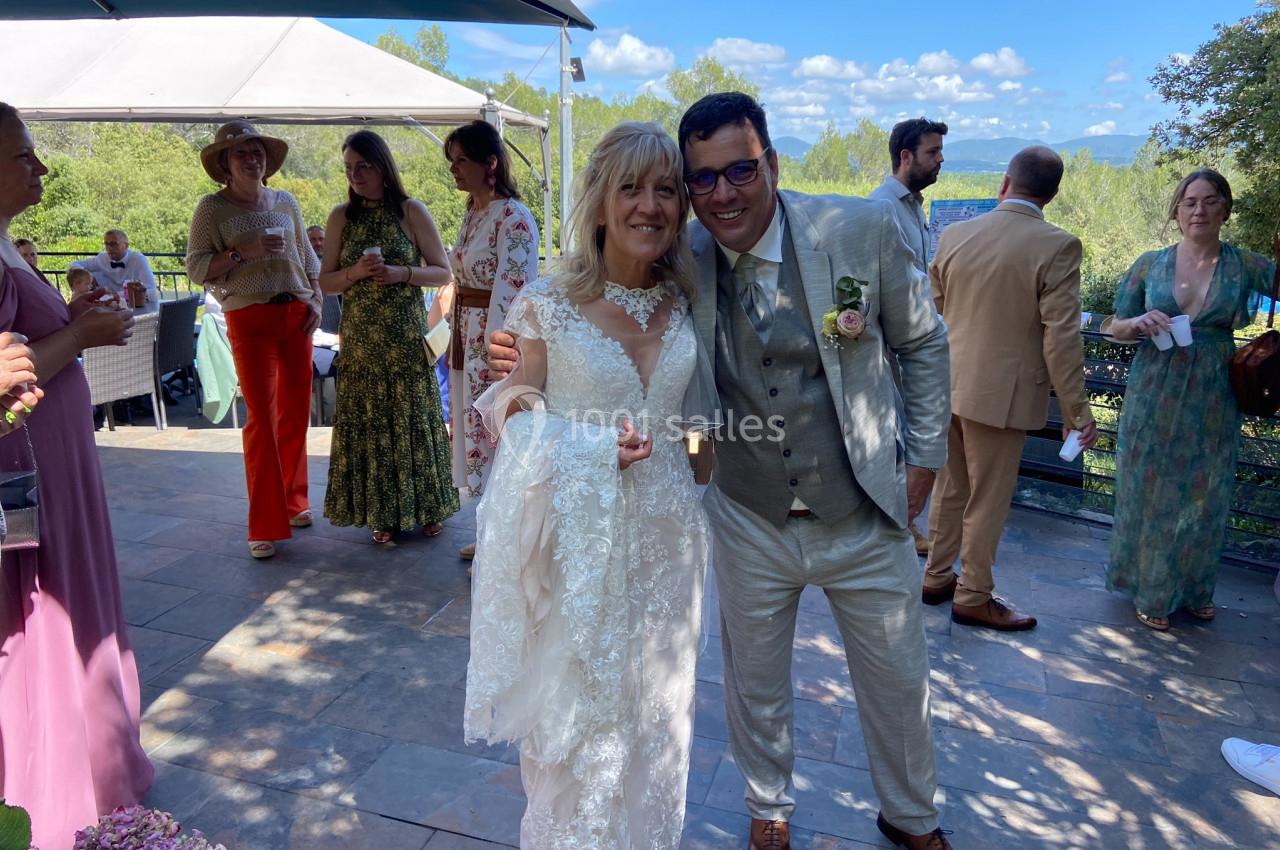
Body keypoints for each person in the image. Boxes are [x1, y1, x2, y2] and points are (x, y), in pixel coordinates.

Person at [493, 92, 955, 850]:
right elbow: (589, 326)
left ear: (770, 162)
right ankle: (768, 807)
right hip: (746, 512)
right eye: (701, 179)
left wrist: (925, 461)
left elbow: (924, 345)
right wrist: (522, 356)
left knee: (900, 681)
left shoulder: (861, 230)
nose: (721, 193)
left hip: (865, 509)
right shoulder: (682, 262)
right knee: (755, 683)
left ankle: (913, 816)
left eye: (739, 170)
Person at [465, 121, 708, 850]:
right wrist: (592, 450)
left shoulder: (689, 300)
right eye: (630, 187)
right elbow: (510, 420)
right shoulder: (544, 305)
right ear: (598, 202)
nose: (649, 206)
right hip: (579, 546)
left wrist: (703, 452)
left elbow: (694, 421)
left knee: (659, 726)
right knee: (574, 725)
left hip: (671, 545)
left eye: (665, 189)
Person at [0, 102, 150, 850]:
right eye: (24, 156)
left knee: (73, 605)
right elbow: (12, 373)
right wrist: (82, 333)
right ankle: (55, 784)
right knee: (46, 615)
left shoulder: (5, 247)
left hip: (57, 452)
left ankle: (93, 763)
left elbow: (26, 342)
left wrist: (73, 315)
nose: (41, 168)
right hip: (27, 462)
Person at [924, 147, 1096, 632]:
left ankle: (936, 578)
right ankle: (973, 594)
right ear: (1053, 194)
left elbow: (933, 312)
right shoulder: (1057, 245)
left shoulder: (956, 234)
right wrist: (1077, 411)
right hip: (1001, 398)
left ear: (1005, 183)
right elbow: (1061, 337)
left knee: (950, 489)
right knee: (988, 499)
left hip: (946, 385)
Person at [1104, 169, 1275, 630]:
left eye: (1209, 201)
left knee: (1207, 489)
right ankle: (1152, 589)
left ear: (1225, 208)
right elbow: (1113, 327)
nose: (1198, 210)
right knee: (1151, 487)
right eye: (1189, 202)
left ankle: (1197, 587)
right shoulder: (1149, 263)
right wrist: (1137, 323)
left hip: (1216, 389)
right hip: (1154, 385)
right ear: (1177, 212)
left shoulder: (1248, 265)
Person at [185, 120, 322, 560]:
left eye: (257, 150)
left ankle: (294, 501)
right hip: (249, 316)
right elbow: (196, 267)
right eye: (241, 152)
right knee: (261, 418)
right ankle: (263, 523)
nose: (252, 158)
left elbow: (308, 256)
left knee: (296, 411)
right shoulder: (212, 208)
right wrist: (245, 253)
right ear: (224, 163)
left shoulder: (285, 201)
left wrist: (316, 299)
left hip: (296, 313)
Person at [318, 130, 458, 544]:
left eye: (363, 166)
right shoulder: (341, 217)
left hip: (403, 336)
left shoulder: (410, 211)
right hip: (361, 338)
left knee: (414, 419)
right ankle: (382, 511)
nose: (356, 175)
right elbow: (326, 282)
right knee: (372, 423)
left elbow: (444, 271)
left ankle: (428, 506)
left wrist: (402, 274)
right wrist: (355, 274)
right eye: (349, 168)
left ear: (382, 166)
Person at [443, 120, 539, 560]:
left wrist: (495, 348)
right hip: (467, 331)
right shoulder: (473, 213)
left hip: (493, 343)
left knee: (498, 432)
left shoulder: (513, 217)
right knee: (476, 434)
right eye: (452, 161)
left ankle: (505, 541)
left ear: (490, 162)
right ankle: (489, 533)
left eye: (462, 160)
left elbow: (515, 288)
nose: (455, 170)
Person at [870, 117, 948, 555]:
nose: (940, 160)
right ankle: (899, 519)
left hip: (914, 340)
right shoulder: (882, 207)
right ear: (906, 157)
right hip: (893, 346)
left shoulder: (912, 207)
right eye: (932, 152)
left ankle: (906, 519)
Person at [70, 228, 158, 303]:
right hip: (108, 306)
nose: (109, 248)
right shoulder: (102, 258)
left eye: (113, 244)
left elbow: (152, 291)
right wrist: (89, 277)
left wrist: (117, 295)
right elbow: (74, 264)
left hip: (133, 305)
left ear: (126, 245)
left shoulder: (138, 260)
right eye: (106, 244)